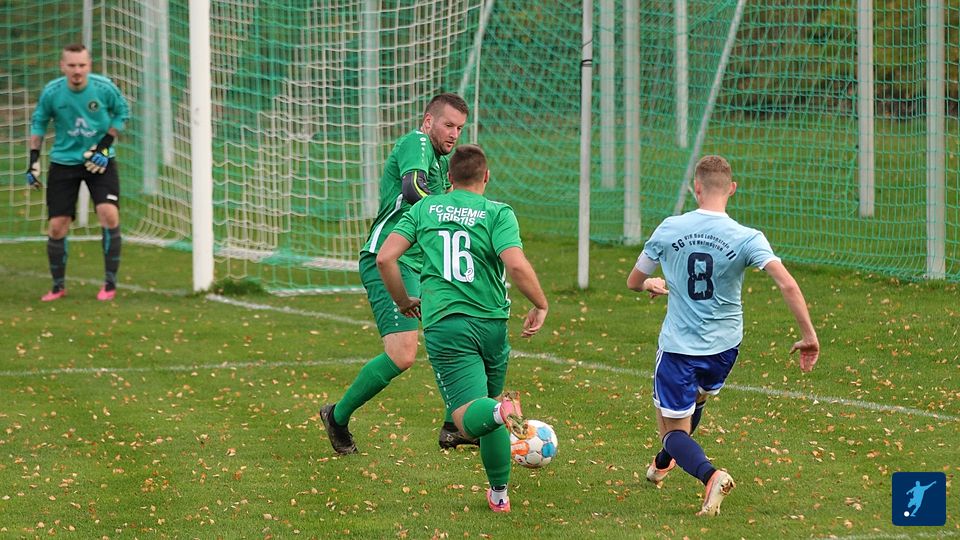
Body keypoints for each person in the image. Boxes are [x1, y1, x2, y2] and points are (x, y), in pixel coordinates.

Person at [626, 155, 819, 516]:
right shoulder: (747, 237)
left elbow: (634, 281)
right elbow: (788, 285)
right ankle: (662, 463)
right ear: (731, 189)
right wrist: (809, 335)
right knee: (696, 401)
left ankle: (710, 475)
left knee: (671, 431)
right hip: (724, 348)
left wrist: (650, 283)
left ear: (695, 188)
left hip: (679, 348)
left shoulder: (670, 227)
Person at [376, 143, 548, 513]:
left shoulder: (424, 208)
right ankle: (499, 495)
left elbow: (385, 258)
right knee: (489, 402)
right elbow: (516, 265)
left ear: (449, 178)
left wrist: (404, 301)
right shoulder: (498, 212)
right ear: (486, 176)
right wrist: (540, 303)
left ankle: (502, 411)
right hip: (492, 323)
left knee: (466, 422)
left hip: (448, 324)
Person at [320, 93, 471, 454]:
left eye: (460, 128)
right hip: (389, 257)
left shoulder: (441, 163)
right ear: (428, 121)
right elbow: (412, 189)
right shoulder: (416, 142)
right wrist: (449, 210)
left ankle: (454, 426)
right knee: (402, 355)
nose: (454, 134)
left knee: (457, 332)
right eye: (448, 125)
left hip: (425, 264)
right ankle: (337, 417)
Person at [26, 43, 130, 302]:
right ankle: (57, 287)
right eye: (72, 65)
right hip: (64, 162)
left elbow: (122, 113)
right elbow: (39, 122)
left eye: (82, 65)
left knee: (109, 214)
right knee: (57, 226)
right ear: (62, 66)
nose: (77, 71)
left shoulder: (104, 88)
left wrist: (104, 146)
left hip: (100, 161)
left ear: (89, 65)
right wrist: (34, 159)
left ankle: (110, 284)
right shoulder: (52, 92)